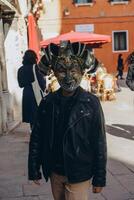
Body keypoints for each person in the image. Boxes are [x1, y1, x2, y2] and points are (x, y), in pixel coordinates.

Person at [28, 41, 107, 200]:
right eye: (62, 71)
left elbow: (99, 141)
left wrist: (100, 178)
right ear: (54, 73)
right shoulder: (47, 102)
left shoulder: (91, 103)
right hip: (55, 172)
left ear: (83, 71)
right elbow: (37, 137)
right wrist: (34, 168)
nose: (69, 77)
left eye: (74, 69)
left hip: (79, 172)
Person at [17, 50, 46, 130]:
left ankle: (33, 134)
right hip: (36, 94)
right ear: (34, 58)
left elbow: (20, 85)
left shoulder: (20, 70)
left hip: (26, 94)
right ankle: (38, 137)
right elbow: (42, 82)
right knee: (39, 117)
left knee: (31, 119)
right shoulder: (36, 68)